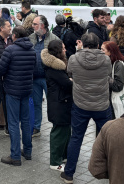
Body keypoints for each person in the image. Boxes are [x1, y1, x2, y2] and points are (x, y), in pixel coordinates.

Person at [61, 32, 112, 182]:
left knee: (76, 138)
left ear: (81, 43)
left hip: (80, 104)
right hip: (102, 105)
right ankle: (110, 170)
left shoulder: (73, 58)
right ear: (98, 45)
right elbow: (108, 74)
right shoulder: (106, 59)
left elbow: (70, 72)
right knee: (107, 138)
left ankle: (69, 173)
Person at [0, 26, 36, 166]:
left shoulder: (10, 50)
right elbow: (34, 68)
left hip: (12, 90)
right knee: (25, 121)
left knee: (13, 123)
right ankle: (28, 151)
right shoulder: (32, 50)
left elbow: (0, 70)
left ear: (15, 36)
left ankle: (15, 156)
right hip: (26, 89)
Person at [43, 39, 72, 172]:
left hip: (62, 103)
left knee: (65, 131)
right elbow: (67, 84)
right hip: (59, 105)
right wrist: (72, 80)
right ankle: (55, 161)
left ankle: (63, 155)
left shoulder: (58, 66)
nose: (65, 50)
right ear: (58, 51)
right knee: (58, 133)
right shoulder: (55, 68)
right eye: (63, 48)